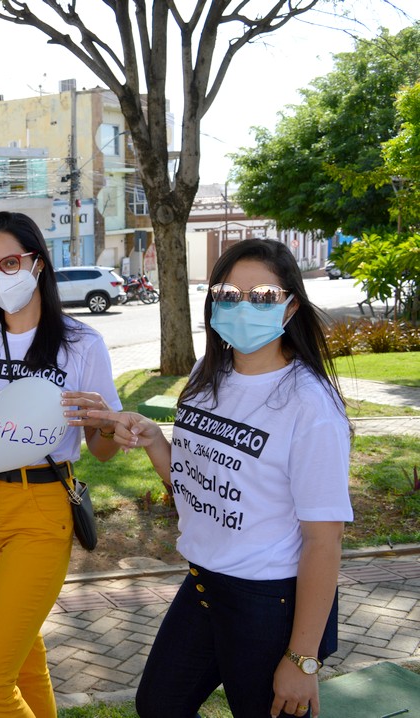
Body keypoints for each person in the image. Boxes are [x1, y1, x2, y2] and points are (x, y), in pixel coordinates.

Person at [89, 238, 352, 718]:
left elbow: (324, 540)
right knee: (159, 705)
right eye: (228, 294)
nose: (242, 305)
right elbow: (192, 485)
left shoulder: (311, 405)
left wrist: (302, 658)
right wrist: (153, 439)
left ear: (291, 306)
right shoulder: (206, 375)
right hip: (204, 584)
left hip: (269, 601)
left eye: (263, 297)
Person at [0, 211, 121, 717]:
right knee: (22, 658)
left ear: (38, 263)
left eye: (10, 262)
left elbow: (103, 450)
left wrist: (103, 420)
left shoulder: (81, 343)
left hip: (41, 509)